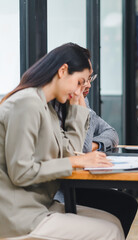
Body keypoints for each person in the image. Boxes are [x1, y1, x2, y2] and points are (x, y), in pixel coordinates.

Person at [0, 43, 125, 239]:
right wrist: (76, 162)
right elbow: (21, 172)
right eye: (79, 82)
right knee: (110, 231)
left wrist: (77, 110)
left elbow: (70, 152)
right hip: (17, 215)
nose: (80, 90)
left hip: (39, 206)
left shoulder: (47, 108)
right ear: (63, 70)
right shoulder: (26, 104)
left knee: (113, 221)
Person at [53, 73, 138, 237]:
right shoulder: (60, 106)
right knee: (123, 206)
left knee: (126, 204)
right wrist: (81, 108)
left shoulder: (82, 101)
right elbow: (81, 150)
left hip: (79, 185)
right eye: (83, 80)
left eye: (90, 79)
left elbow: (112, 134)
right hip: (61, 191)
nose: (89, 85)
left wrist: (95, 145)